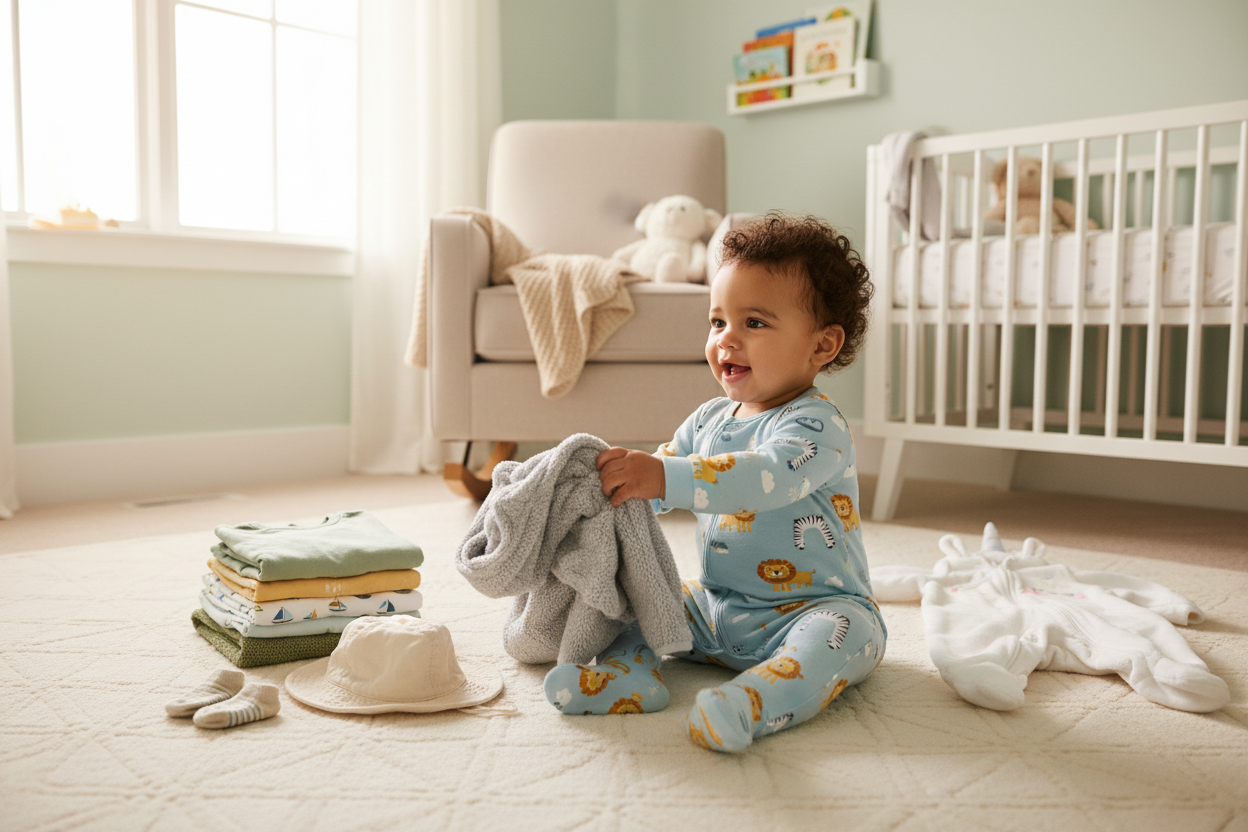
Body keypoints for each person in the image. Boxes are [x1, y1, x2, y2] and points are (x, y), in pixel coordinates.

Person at [541, 212, 887, 753]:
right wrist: (608, 488)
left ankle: (749, 703)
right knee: (640, 599)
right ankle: (629, 675)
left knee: (842, 639)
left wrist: (663, 477)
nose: (727, 339)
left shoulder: (819, 427)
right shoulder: (708, 419)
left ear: (822, 345)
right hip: (715, 607)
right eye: (718, 321)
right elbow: (659, 480)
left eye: (755, 323)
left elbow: (763, 478)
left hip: (813, 609)